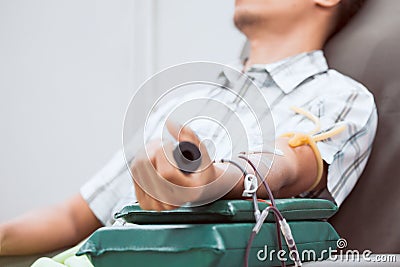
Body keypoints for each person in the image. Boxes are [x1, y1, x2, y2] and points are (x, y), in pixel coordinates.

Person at [0, 0, 376, 256]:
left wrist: (215, 177)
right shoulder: (185, 97)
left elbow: (292, 164)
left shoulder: (340, 97)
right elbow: (73, 217)